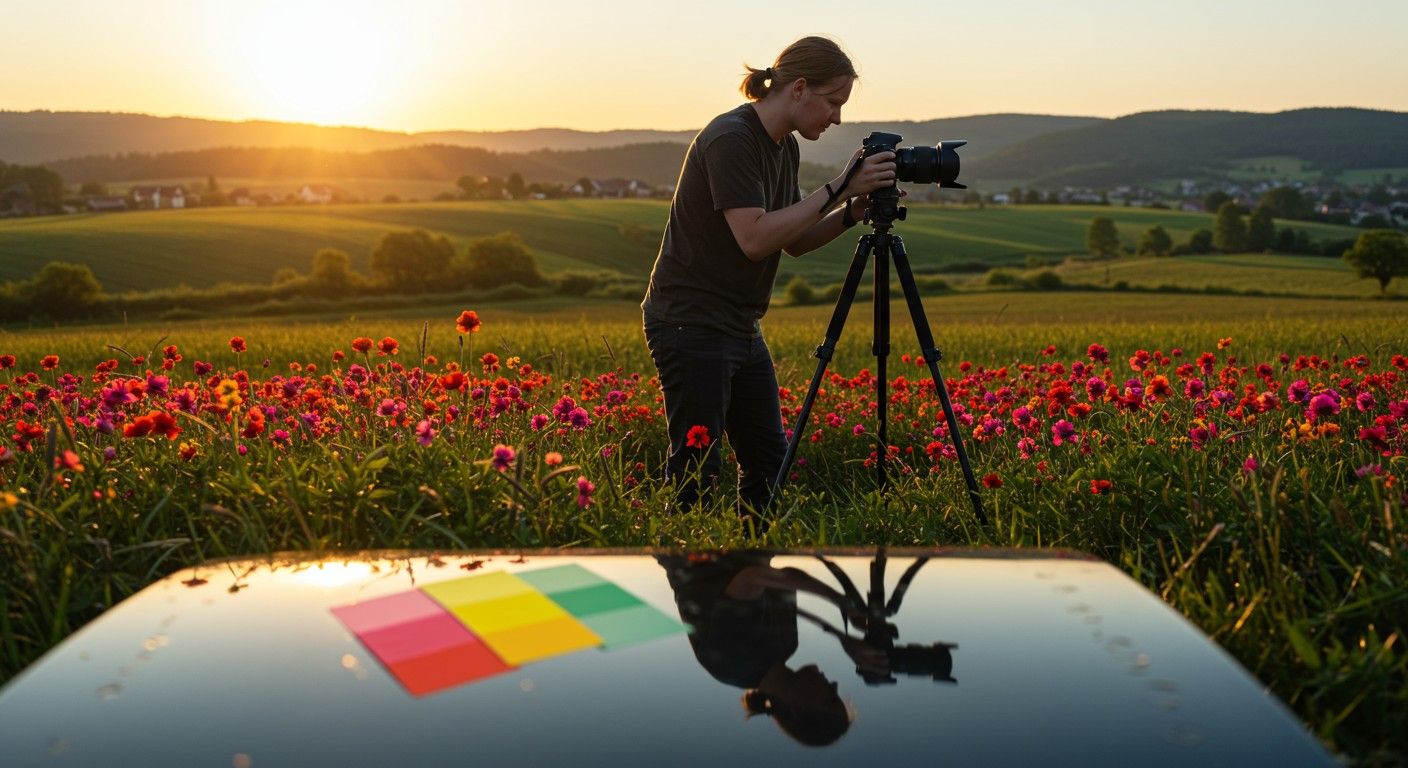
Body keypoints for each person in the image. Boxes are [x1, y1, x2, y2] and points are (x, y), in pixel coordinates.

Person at [641, 36, 898, 523]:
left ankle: (756, 582)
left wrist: (850, 211)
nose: (837, 118)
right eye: (834, 102)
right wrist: (840, 185)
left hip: (738, 323)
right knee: (698, 470)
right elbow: (755, 239)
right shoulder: (731, 138)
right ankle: (693, 582)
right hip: (690, 322)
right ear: (799, 88)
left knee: (767, 465)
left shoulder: (784, 148)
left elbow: (793, 240)